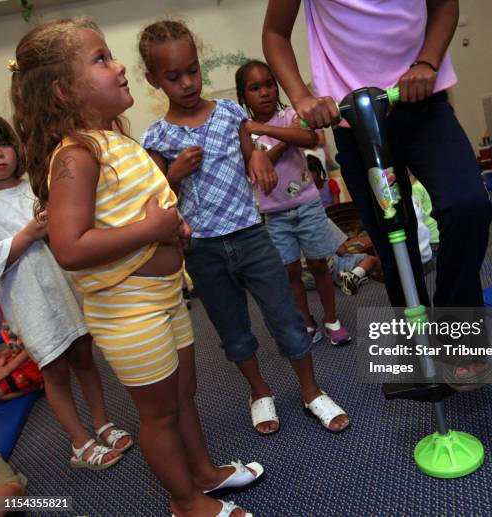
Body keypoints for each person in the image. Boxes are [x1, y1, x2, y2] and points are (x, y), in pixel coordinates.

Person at [11, 19, 261, 517]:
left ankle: (205, 474)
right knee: (160, 415)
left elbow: (138, 210)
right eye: (101, 59)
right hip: (129, 312)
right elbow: (70, 246)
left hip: (165, 297)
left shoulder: (115, 142)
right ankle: (185, 501)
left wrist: (173, 226)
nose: (120, 64)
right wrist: (152, 230)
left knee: (184, 397)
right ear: (63, 90)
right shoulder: (77, 156)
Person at [138, 21, 349, 438]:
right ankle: (259, 391)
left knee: (287, 318)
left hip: (252, 235)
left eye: (193, 71)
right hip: (202, 248)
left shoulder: (232, 113)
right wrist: (174, 176)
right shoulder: (156, 137)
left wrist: (257, 159)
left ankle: (310, 389)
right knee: (233, 331)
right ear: (153, 80)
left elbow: (254, 151)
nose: (187, 83)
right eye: (173, 77)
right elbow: (159, 204)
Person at [263, 0, 492, 311]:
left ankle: (455, 323)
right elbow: (275, 33)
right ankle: (415, 341)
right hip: (355, 118)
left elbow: (443, 5)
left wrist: (426, 62)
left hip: (421, 99)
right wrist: (302, 97)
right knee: (392, 241)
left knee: (468, 205)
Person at [0, 114, 132, 466]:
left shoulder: (35, 186)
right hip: (30, 301)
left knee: (85, 357)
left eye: (3, 143)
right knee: (54, 369)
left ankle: (103, 422)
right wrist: (29, 233)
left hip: (66, 288)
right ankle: (79, 441)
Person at [235, 59, 351, 346]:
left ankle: (331, 319)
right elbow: (256, 166)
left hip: (307, 204)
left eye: (269, 85)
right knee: (290, 273)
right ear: (243, 96)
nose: (264, 92)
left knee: (319, 266)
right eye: (254, 88)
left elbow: (310, 138)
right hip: (275, 214)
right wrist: (283, 142)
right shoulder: (245, 132)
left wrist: (273, 134)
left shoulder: (289, 115)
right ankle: (307, 321)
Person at [409, 171, 440, 256]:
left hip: (430, 237)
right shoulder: (425, 184)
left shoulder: (415, 188)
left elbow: (416, 215)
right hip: (438, 233)